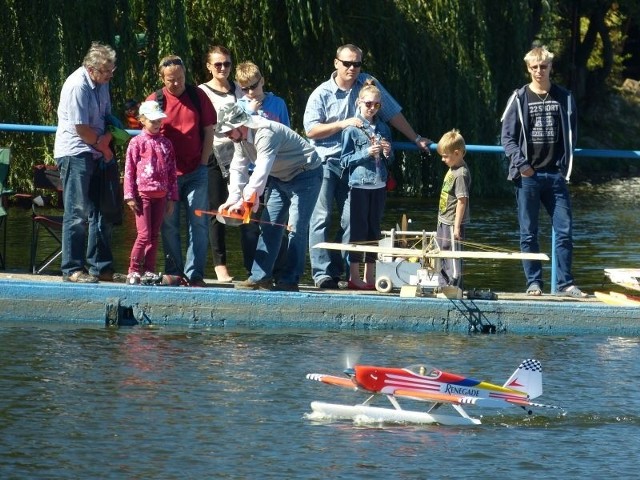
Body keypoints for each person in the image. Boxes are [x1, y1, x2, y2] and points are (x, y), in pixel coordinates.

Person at [304, 43, 432, 289]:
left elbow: (391, 112)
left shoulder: (367, 84)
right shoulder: (322, 93)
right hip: (327, 162)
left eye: (357, 63)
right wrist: (344, 124)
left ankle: (341, 270)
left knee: (353, 221)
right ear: (336, 63)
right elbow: (311, 130)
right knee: (320, 218)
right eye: (347, 63)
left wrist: (415, 137)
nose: (352, 68)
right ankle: (322, 275)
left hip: (357, 171)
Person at [500, 45, 586, 297]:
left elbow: (572, 134)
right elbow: (507, 137)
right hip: (528, 176)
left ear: (551, 67)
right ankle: (534, 283)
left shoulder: (564, 97)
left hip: (555, 175)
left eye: (543, 66)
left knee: (565, 230)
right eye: (534, 67)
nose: (539, 71)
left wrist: (564, 168)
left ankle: (565, 284)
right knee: (529, 233)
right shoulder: (519, 98)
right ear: (528, 69)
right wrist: (522, 166)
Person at [216, 104, 322, 292]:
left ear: (241, 125)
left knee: (296, 227)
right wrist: (232, 200)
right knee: (269, 225)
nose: (227, 136)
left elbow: (261, 172)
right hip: (280, 177)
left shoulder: (266, 133)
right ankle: (260, 277)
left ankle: (290, 280)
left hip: (306, 174)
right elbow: (238, 168)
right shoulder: (240, 140)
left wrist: (244, 201)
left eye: (229, 131)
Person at [147, 55, 216, 287]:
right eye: (170, 80)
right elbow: (146, 137)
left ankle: (195, 274)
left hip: (197, 170)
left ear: (185, 74)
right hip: (167, 177)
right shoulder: (155, 100)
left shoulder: (198, 96)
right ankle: (174, 272)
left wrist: (204, 162)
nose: (176, 83)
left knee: (198, 223)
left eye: (179, 78)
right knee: (169, 224)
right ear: (161, 78)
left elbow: (209, 130)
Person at [53, 41, 118, 283]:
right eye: (106, 71)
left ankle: (99, 267)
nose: (111, 75)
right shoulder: (78, 85)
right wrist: (103, 144)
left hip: (96, 151)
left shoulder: (101, 84)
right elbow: (81, 128)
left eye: (113, 69)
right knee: (77, 212)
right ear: (92, 69)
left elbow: (105, 116)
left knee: (99, 212)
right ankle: (72, 269)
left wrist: (109, 138)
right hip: (76, 152)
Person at [235, 61, 290, 278]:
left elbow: (287, 133)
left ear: (262, 82)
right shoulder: (240, 106)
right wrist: (250, 111)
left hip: (276, 172)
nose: (250, 92)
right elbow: (237, 135)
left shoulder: (278, 104)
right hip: (250, 170)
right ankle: (253, 271)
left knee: (276, 222)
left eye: (254, 87)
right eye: (245, 88)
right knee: (249, 225)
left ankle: (279, 270)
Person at [339, 81, 394, 290]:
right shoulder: (352, 130)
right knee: (357, 231)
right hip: (360, 185)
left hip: (379, 184)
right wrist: (365, 153)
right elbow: (344, 160)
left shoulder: (383, 128)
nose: (372, 108)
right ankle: (354, 276)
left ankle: (370, 277)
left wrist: (388, 152)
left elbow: (391, 160)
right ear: (359, 103)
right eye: (369, 104)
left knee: (374, 231)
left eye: (377, 105)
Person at [198, 45, 243, 282]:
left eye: (226, 63)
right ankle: (220, 265)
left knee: (245, 207)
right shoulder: (202, 92)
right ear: (209, 67)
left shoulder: (239, 89)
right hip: (214, 155)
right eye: (218, 64)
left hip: (240, 153)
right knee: (215, 210)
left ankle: (253, 263)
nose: (223, 68)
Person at [123, 100, 178, 285]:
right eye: (152, 120)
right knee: (144, 234)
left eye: (158, 120)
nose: (156, 124)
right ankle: (133, 269)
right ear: (142, 120)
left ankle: (149, 270)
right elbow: (129, 170)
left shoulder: (166, 143)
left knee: (154, 235)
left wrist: (172, 197)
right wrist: (130, 195)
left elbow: (172, 172)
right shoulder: (136, 142)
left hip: (161, 195)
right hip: (143, 194)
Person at [435, 129, 470, 289]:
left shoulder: (461, 174)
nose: (442, 159)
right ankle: (443, 283)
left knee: (453, 254)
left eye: (445, 156)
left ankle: (455, 284)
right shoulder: (453, 168)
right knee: (442, 249)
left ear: (457, 153)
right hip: (443, 219)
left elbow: (462, 201)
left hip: (452, 222)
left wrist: (457, 227)